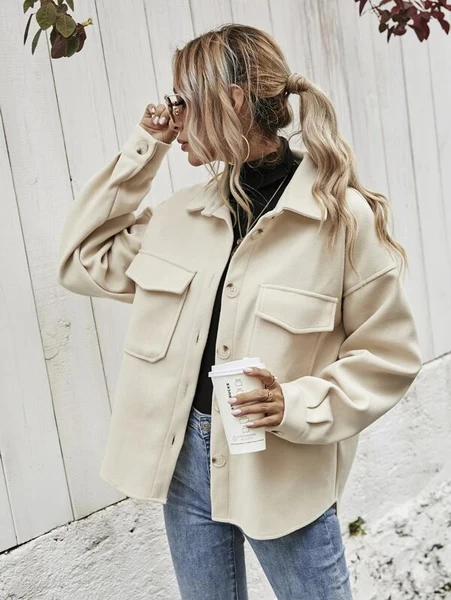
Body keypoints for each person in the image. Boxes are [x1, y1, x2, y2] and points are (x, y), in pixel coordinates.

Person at [57, 23, 422, 600]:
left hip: (281, 470)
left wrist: (295, 403)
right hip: (185, 464)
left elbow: (389, 355)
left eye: (183, 100)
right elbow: (83, 260)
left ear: (232, 101)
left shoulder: (340, 220)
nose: (172, 116)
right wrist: (144, 147)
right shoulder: (182, 217)